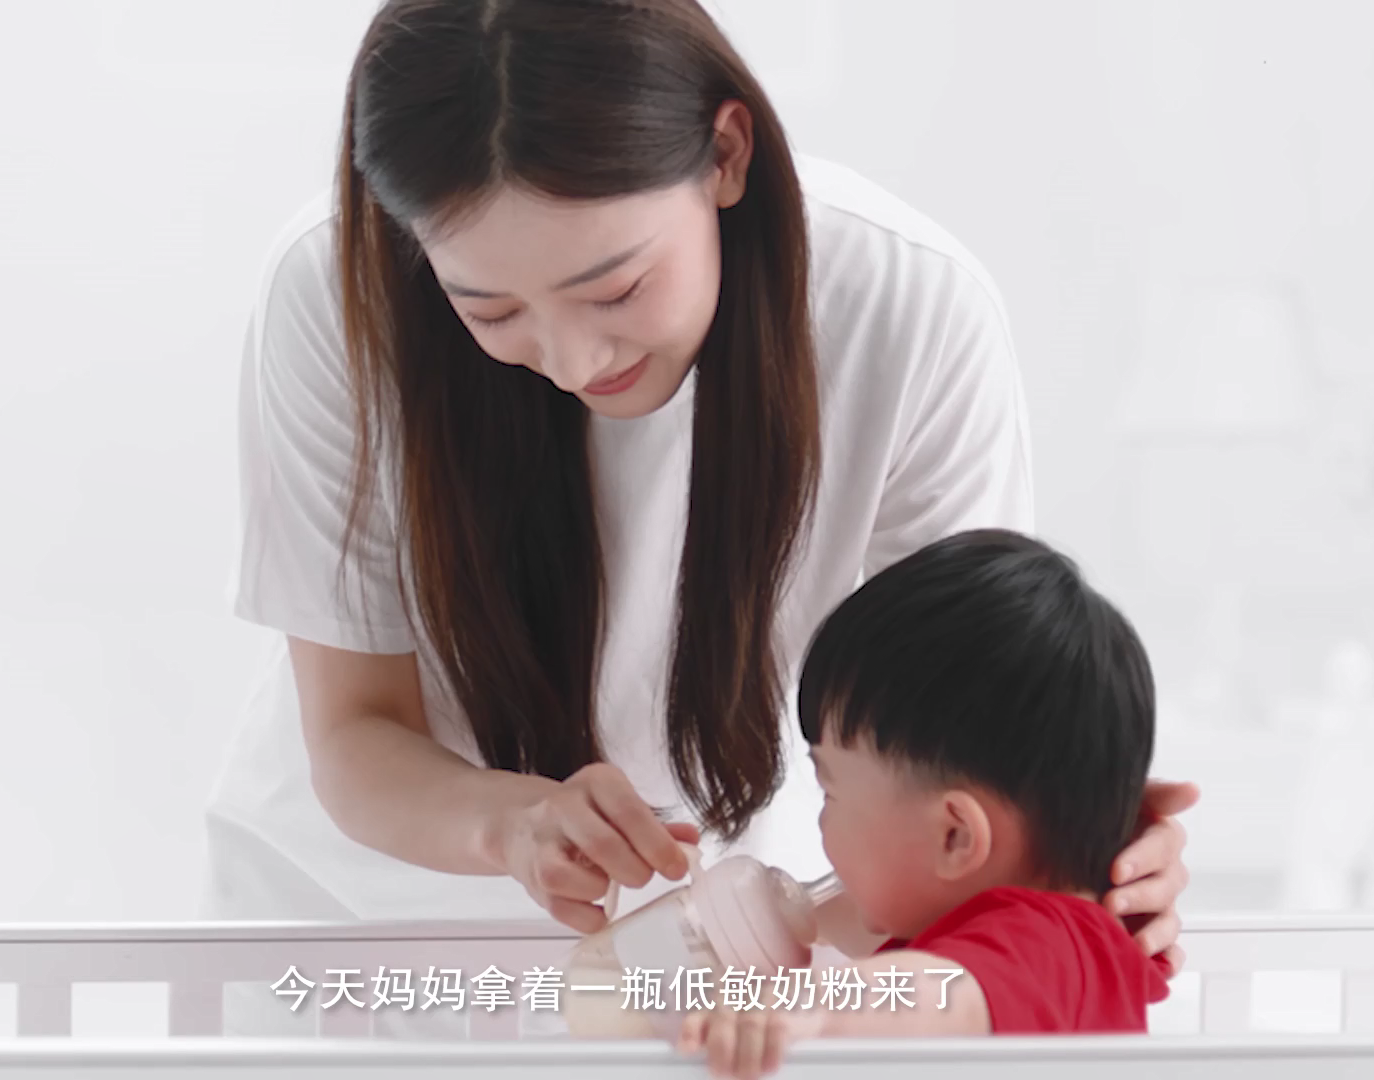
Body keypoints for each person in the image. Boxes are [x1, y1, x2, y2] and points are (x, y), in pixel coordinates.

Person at [202, 0, 1197, 1035]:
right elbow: (356, 729)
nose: (574, 361)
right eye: (490, 311)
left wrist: (1075, 849)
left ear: (725, 155)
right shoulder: (340, 291)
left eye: (616, 288)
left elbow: (975, 711)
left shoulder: (905, 306)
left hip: (715, 943)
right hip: (362, 928)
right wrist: (513, 823)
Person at [676, 529, 1171, 1077]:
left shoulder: (1052, 943)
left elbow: (940, 992)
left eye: (830, 790)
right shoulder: (989, 936)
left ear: (955, 837)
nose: (822, 822)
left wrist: (810, 1004)